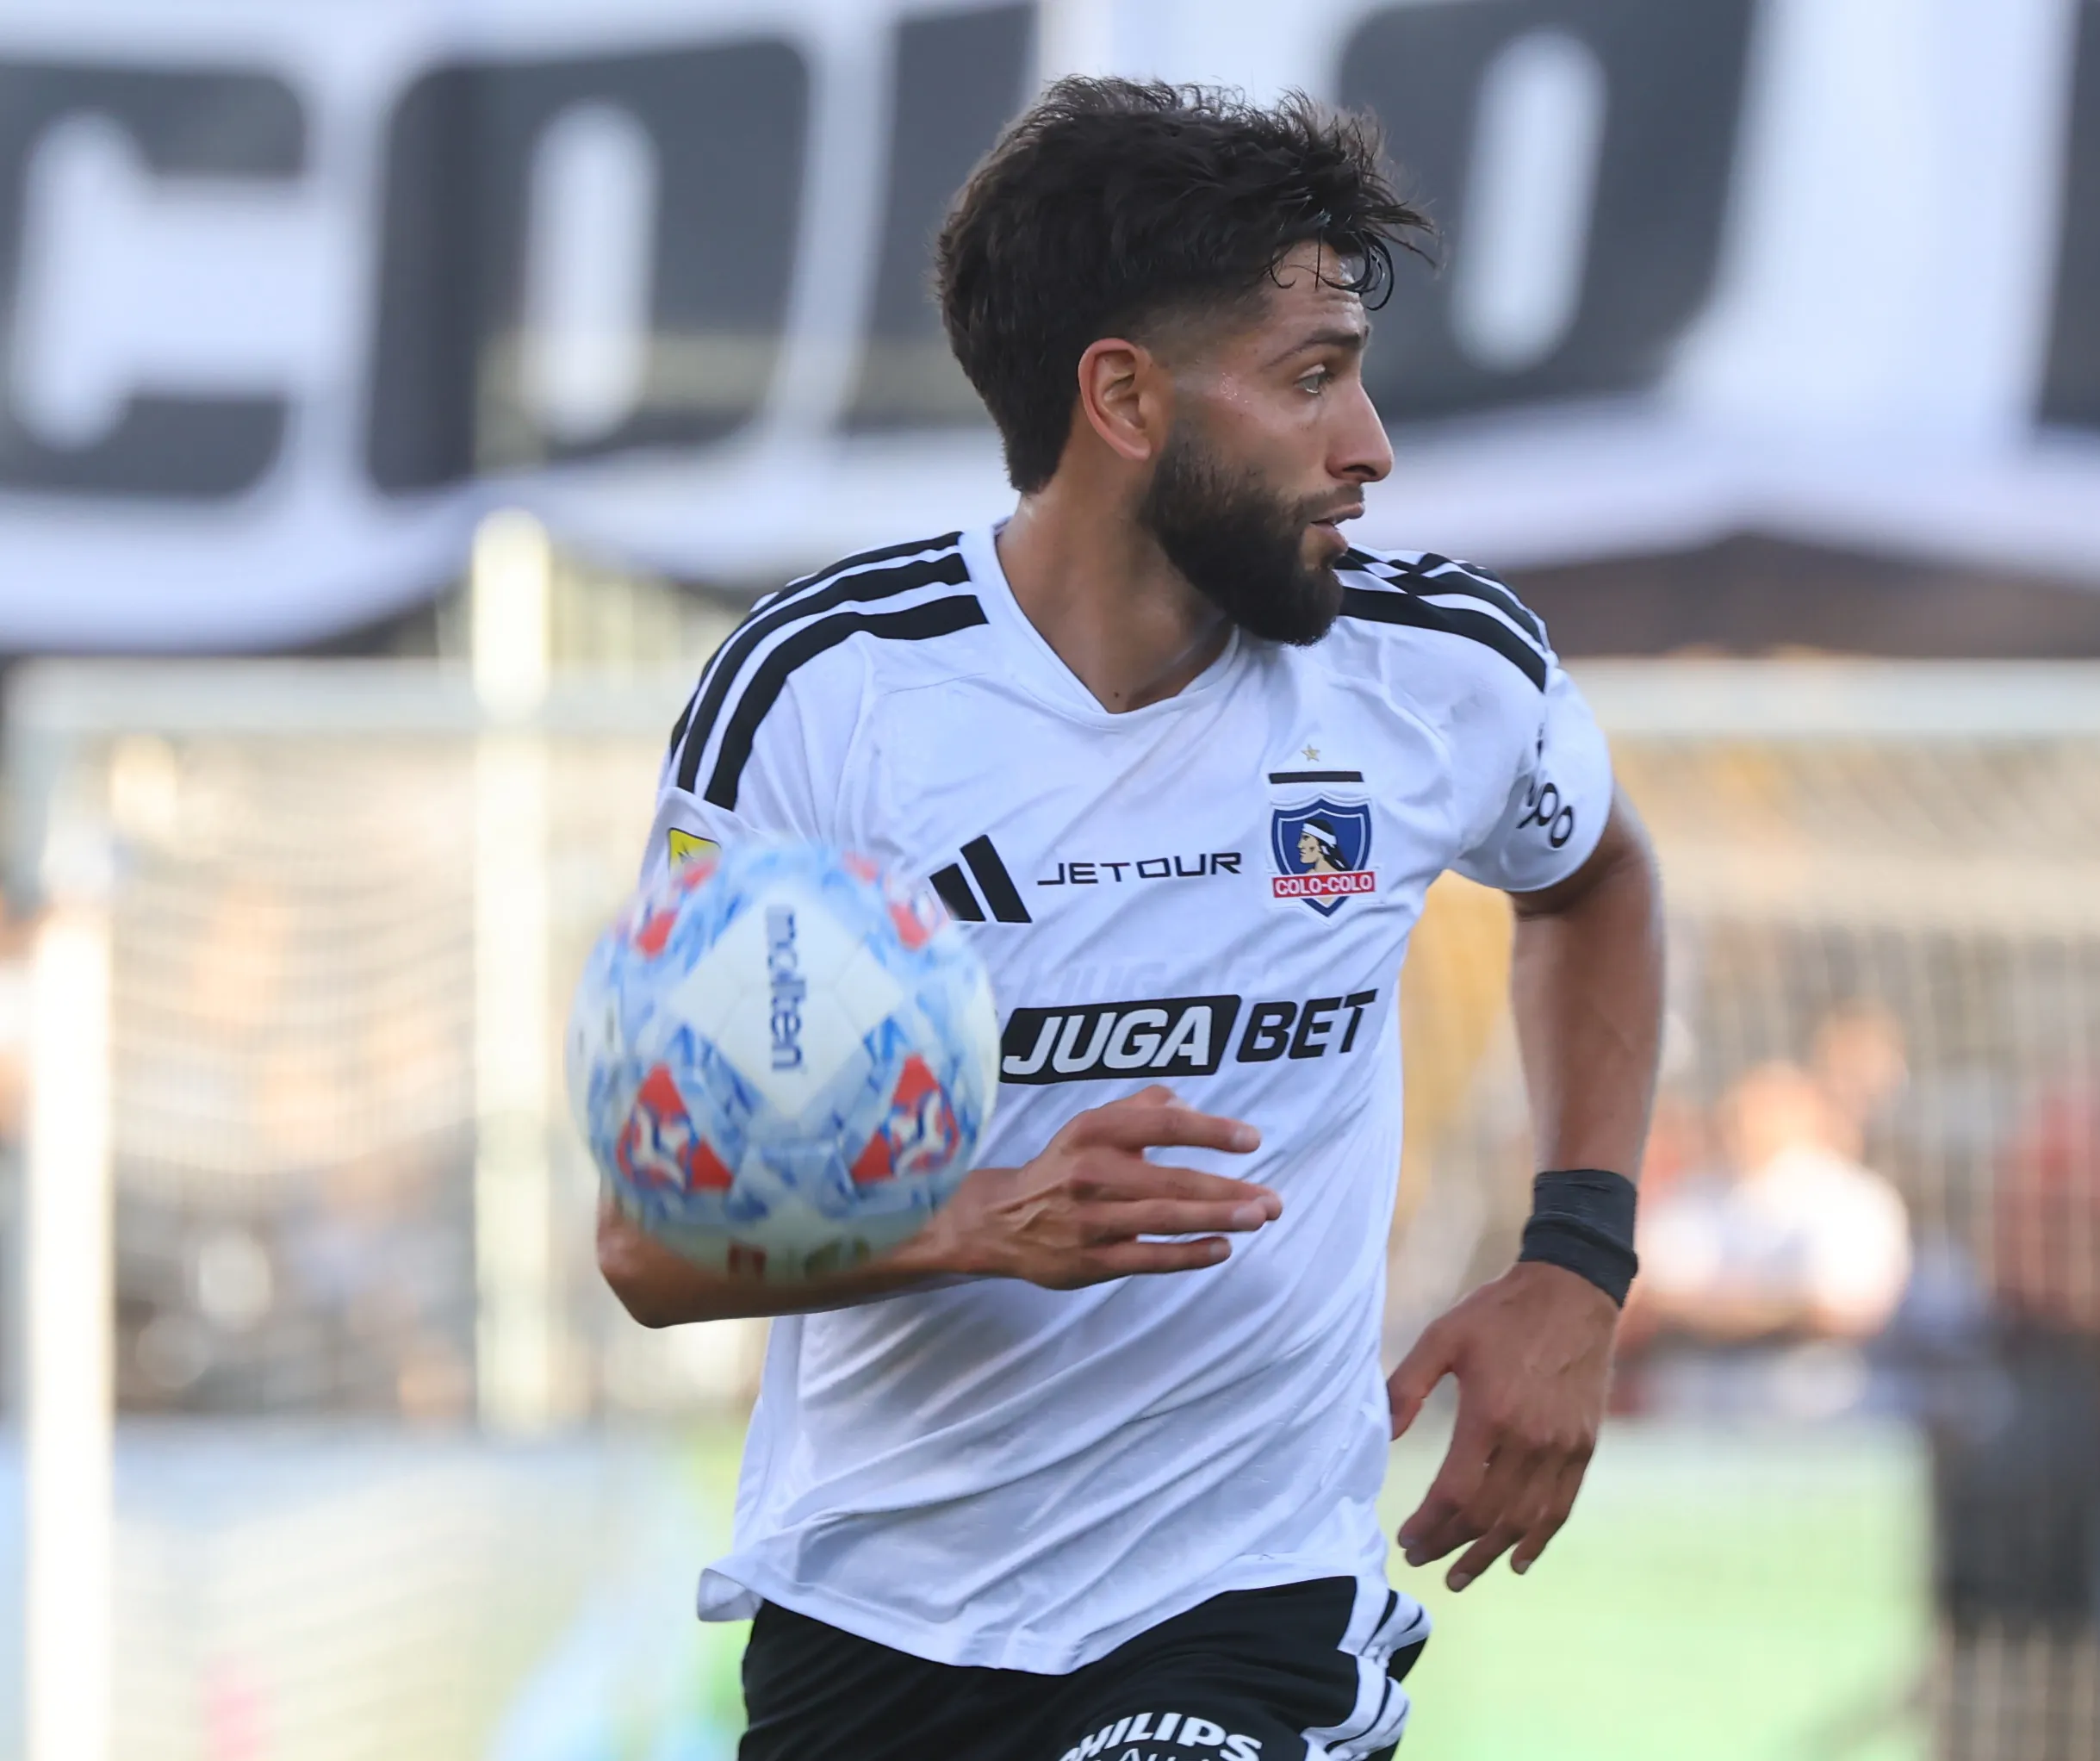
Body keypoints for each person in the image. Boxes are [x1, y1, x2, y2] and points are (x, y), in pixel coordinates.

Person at [593, 81, 1663, 1761]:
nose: (1369, 443)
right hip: (882, 1630)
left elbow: (1596, 878)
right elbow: (649, 1249)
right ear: (1125, 397)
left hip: (1252, 1601)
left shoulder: (1438, 674)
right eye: (1311, 377)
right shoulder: (829, 697)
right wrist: (975, 1218)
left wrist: (1577, 1259)